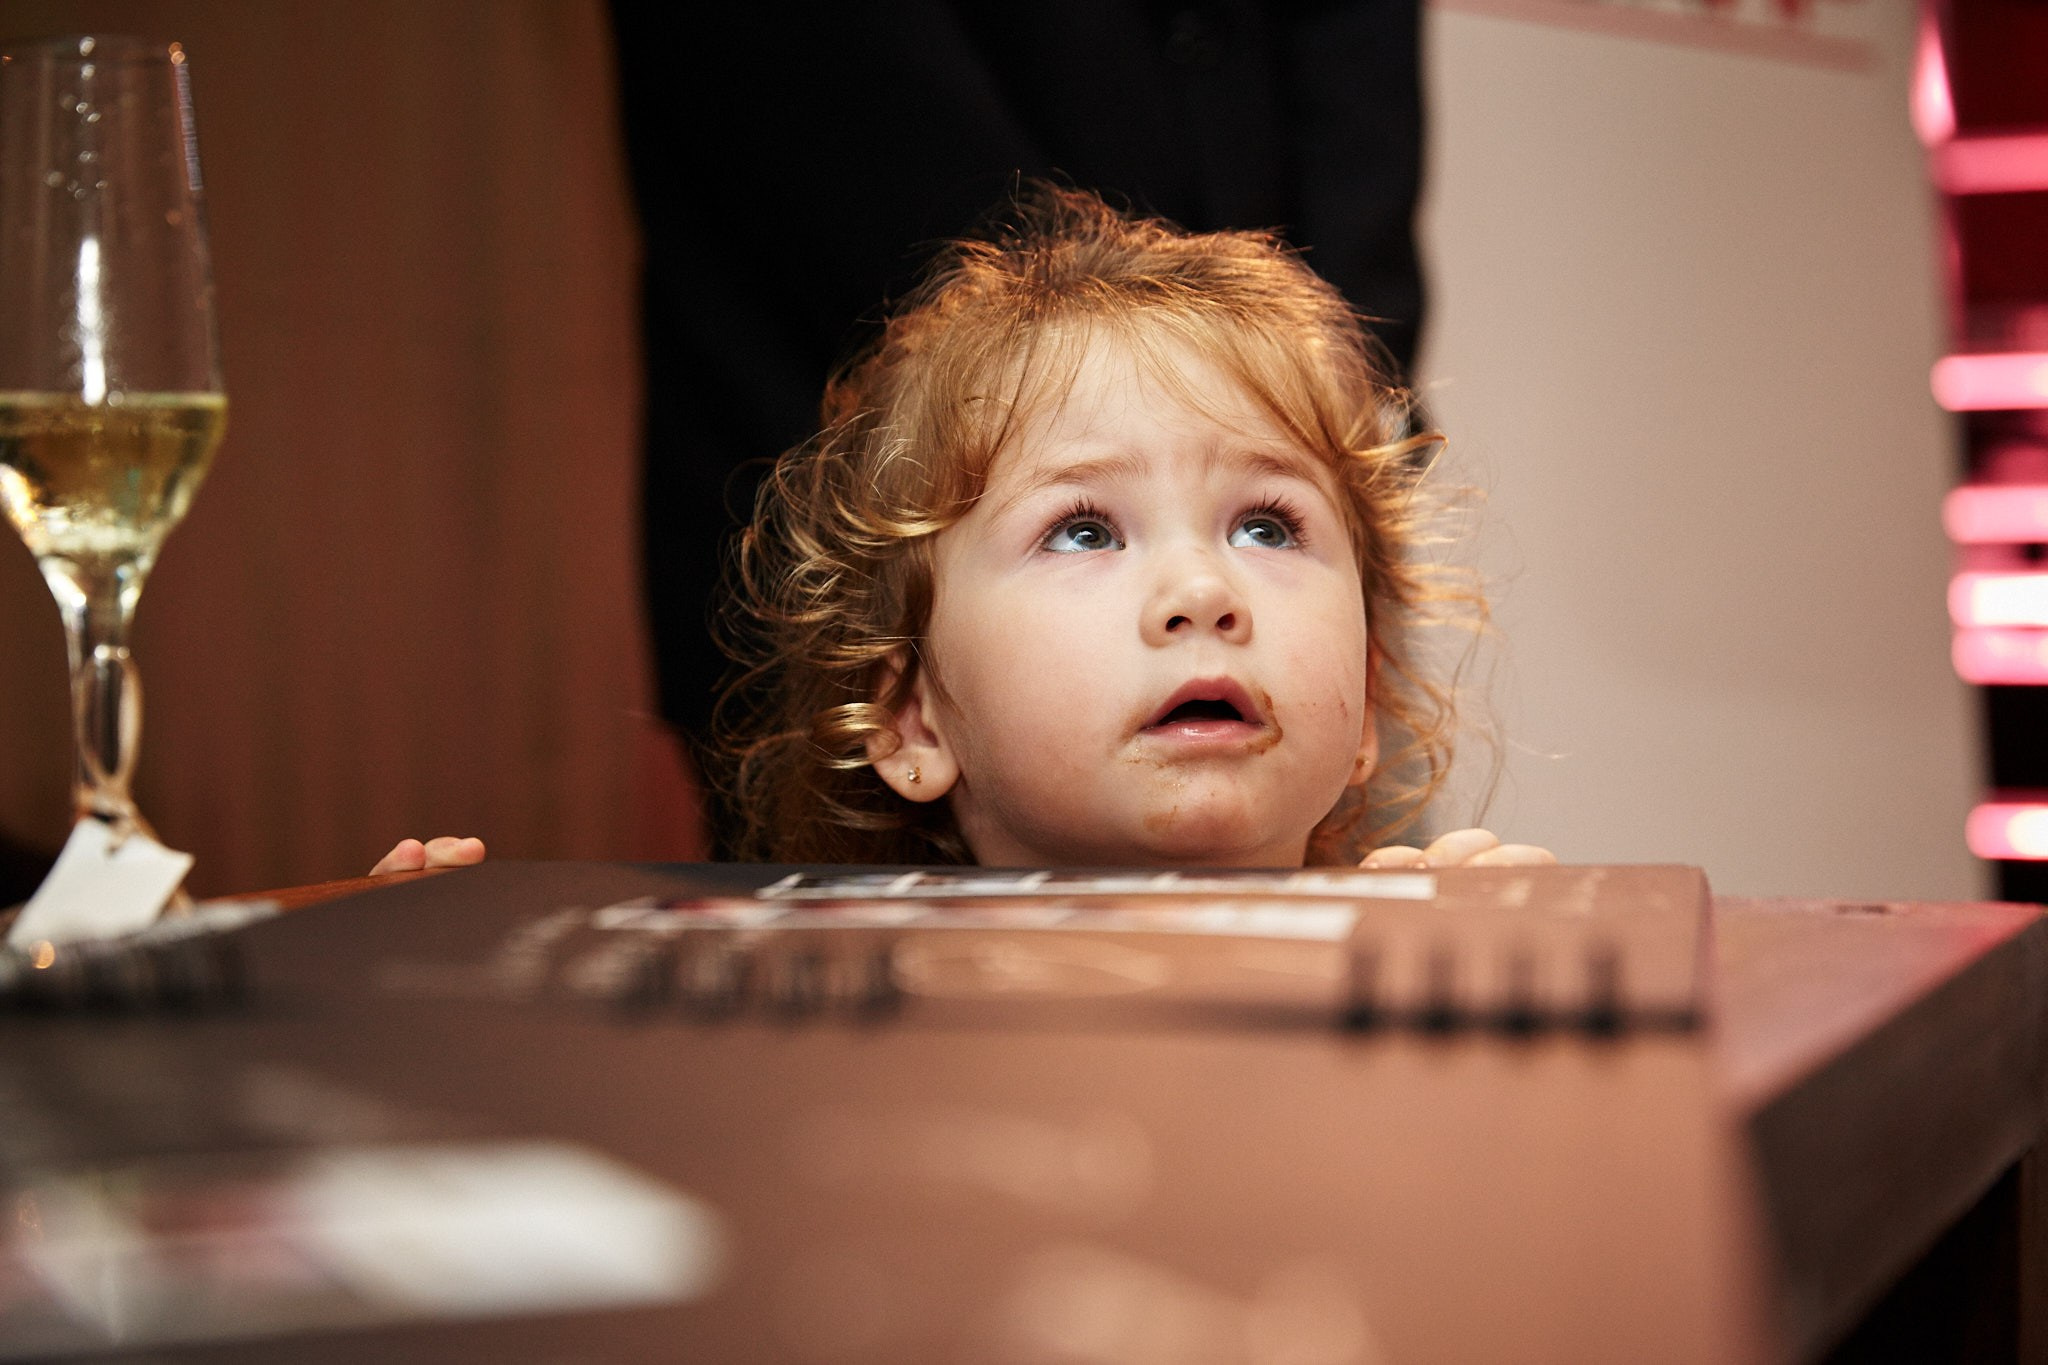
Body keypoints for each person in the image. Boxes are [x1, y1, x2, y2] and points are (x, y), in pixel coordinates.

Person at [376, 188, 1546, 874]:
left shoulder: (1416, 964)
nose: (1201, 589)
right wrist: (416, 1004)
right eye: (1084, 531)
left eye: (1265, 524)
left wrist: (1513, 1011)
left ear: (1367, 698)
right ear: (909, 718)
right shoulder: (806, 1017)